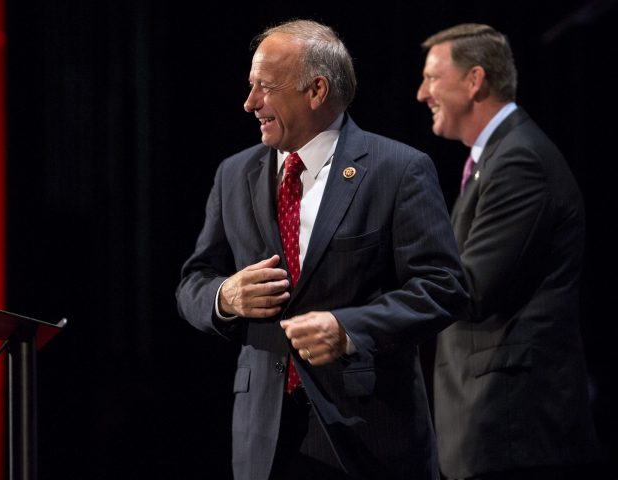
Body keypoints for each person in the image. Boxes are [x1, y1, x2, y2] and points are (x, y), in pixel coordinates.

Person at [176, 19, 468, 480]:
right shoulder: (234, 173)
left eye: (265, 88)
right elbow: (193, 282)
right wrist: (224, 297)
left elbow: (443, 288)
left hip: (368, 432)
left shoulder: (398, 169)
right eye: (251, 87)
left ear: (316, 90)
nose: (250, 103)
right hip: (262, 435)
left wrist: (347, 328)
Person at [416, 23, 601, 480]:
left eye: (433, 78)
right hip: (493, 430)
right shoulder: (496, 158)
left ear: (475, 80)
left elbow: (473, 288)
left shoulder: (520, 161)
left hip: (514, 431)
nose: (422, 94)